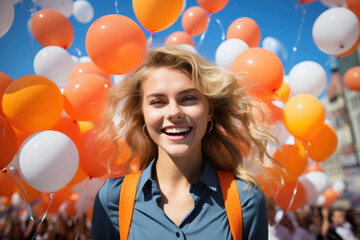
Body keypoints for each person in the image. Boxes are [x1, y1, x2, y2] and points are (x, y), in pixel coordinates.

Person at [92, 46, 279, 239]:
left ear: (209, 111)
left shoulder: (246, 199)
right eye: (158, 102)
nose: (174, 112)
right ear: (143, 114)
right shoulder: (113, 199)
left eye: (188, 98)